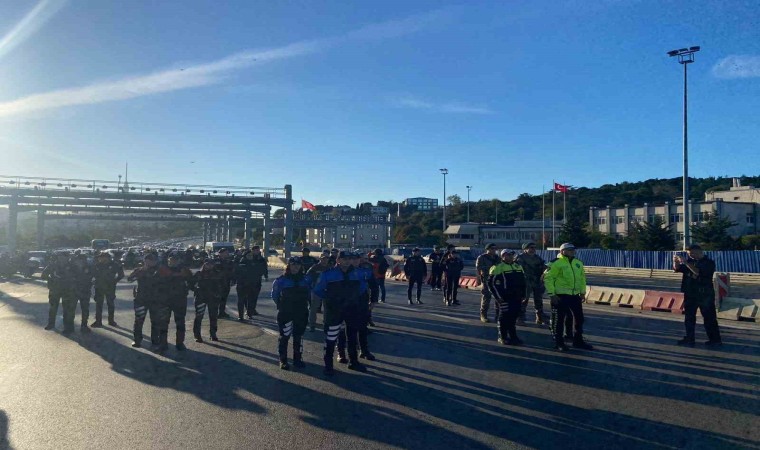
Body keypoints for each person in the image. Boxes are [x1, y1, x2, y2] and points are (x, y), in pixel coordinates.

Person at [313, 251, 368, 375]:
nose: (347, 261)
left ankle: (353, 362)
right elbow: (318, 290)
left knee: (352, 337)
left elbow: (362, 288)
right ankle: (328, 366)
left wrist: (352, 299)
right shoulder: (328, 274)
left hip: (352, 309)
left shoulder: (357, 273)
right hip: (334, 311)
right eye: (344, 259)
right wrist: (331, 300)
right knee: (331, 338)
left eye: (349, 259)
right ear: (338, 260)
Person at [544, 243, 593, 351]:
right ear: (562, 251)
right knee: (559, 320)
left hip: (574, 295)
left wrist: (582, 292)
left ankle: (578, 341)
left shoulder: (578, 263)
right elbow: (548, 279)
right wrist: (552, 294)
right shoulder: (555, 263)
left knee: (579, 319)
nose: (572, 251)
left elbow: (582, 278)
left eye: (573, 250)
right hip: (560, 296)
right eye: (570, 250)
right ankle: (559, 342)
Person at [674, 244, 722, 346]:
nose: (690, 256)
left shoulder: (708, 263)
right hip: (690, 293)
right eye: (688, 254)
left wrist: (686, 262)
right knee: (689, 317)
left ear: (699, 252)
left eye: (692, 253)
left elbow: (698, 272)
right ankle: (690, 338)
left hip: (704, 294)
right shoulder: (690, 262)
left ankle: (715, 340)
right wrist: (676, 262)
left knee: (709, 318)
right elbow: (677, 269)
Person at [271, 257, 312, 370]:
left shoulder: (306, 279)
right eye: (293, 264)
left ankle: (297, 359)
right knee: (284, 336)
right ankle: (283, 360)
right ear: (289, 266)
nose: (295, 267)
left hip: (301, 311)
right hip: (286, 312)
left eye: (298, 265)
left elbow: (309, 294)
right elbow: (275, 296)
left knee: (298, 336)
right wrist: (282, 306)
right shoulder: (281, 280)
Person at [488, 249, 527, 345]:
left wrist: (523, 295)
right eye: (508, 255)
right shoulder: (497, 267)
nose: (510, 257)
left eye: (511, 255)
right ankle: (502, 336)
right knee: (504, 317)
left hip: (516, 297)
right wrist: (498, 297)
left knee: (513, 317)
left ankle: (513, 336)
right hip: (504, 297)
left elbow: (523, 282)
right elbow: (491, 284)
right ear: (503, 256)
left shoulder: (518, 266)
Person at [127, 253, 162, 348]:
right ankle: (137, 340)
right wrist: (140, 273)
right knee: (139, 321)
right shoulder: (139, 270)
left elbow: (166, 283)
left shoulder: (159, 271)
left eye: (152, 260)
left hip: (155, 300)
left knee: (155, 321)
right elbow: (129, 279)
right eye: (148, 260)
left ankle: (155, 341)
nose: (150, 262)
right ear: (145, 261)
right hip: (141, 299)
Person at [160, 254, 193, 351]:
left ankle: (180, 343)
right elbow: (156, 282)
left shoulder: (184, 270)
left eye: (175, 260)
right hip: (165, 300)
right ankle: (163, 343)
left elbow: (192, 281)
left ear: (178, 260)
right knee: (163, 323)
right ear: (168, 260)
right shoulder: (163, 269)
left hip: (180, 299)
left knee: (180, 322)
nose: (173, 262)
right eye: (171, 260)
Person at [516, 242, 548, 325]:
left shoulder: (537, 258)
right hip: (525, 281)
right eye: (531, 247)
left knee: (538, 299)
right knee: (524, 299)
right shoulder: (520, 258)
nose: (533, 249)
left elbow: (543, 267)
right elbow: (519, 269)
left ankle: (539, 317)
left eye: (534, 247)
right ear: (525, 249)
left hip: (536, 281)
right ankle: (520, 318)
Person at [192, 259, 223, 343]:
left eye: (211, 264)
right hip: (200, 298)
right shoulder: (198, 274)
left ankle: (213, 334)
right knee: (199, 317)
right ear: (204, 264)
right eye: (207, 264)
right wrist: (196, 289)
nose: (209, 266)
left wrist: (218, 294)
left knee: (213, 317)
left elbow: (221, 284)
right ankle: (197, 335)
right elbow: (191, 284)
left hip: (213, 298)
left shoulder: (216, 273)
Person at [91, 252, 125, 327]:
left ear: (108, 258)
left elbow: (121, 274)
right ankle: (98, 321)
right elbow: (92, 274)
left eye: (103, 257)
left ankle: (111, 321)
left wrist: (114, 281)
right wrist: (93, 281)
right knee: (99, 304)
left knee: (110, 304)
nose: (100, 258)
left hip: (110, 287)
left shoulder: (114, 265)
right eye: (100, 257)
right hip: (99, 287)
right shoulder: (97, 265)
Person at [234, 247, 268, 320]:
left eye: (251, 256)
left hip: (252, 285)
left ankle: (250, 314)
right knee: (241, 300)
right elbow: (235, 273)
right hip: (242, 285)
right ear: (245, 256)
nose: (250, 257)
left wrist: (263, 276)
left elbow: (261, 270)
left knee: (251, 300)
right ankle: (240, 316)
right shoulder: (241, 263)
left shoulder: (256, 262)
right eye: (248, 255)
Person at [41, 253, 70, 331]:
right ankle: (51, 324)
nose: (62, 259)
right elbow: (43, 275)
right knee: (53, 308)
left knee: (66, 309)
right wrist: (52, 277)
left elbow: (76, 276)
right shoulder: (52, 265)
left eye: (64, 257)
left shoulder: (70, 266)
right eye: (60, 257)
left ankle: (67, 327)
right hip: (54, 289)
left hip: (66, 290)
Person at [69, 254, 95, 334]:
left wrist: (91, 282)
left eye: (83, 259)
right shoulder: (72, 268)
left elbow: (94, 277)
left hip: (85, 291)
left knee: (85, 309)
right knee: (71, 309)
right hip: (74, 291)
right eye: (79, 259)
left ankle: (84, 326)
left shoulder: (89, 267)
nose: (81, 261)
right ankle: (70, 327)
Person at [306, 254, 331, 331]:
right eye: (323, 258)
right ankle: (312, 325)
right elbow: (307, 276)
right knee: (314, 308)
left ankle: (326, 324)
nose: (325, 260)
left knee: (327, 308)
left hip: (326, 291)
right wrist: (311, 286)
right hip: (316, 290)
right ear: (320, 259)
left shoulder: (330, 268)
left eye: (326, 258)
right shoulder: (315, 267)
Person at [476, 243, 500, 323]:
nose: (494, 250)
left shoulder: (497, 257)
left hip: (496, 279)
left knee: (498, 297)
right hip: (486, 279)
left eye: (494, 248)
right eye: (492, 248)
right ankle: (483, 314)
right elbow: (478, 268)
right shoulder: (482, 257)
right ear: (488, 249)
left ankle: (498, 315)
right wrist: (478, 280)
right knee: (486, 297)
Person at [215, 248, 236, 318]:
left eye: (227, 252)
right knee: (217, 298)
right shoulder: (216, 261)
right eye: (225, 252)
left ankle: (222, 312)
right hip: (218, 283)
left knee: (224, 298)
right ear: (220, 253)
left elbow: (232, 271)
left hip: (226, 282)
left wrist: (233, 280)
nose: (227, 254)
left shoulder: (229, 261)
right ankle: (215, 313)